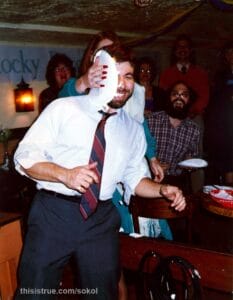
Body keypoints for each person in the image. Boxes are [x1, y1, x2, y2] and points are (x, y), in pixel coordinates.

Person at [14, 45, 186, 300]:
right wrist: (65, 174)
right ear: (98, 75)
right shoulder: (64, 109)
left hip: (101, 218)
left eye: (128, 77)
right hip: (54, 214)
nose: (123, 83)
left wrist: (162, 189)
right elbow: (24, 157)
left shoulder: (133, 130)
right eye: (115, 75)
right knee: (35, 292)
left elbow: (134, 179)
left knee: (103, 294)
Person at [59, 31, 167, 237]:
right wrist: (84, 81)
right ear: (93, 57)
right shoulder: (81, 86)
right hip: (93, 167)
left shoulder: (127, 88)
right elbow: (62, 101)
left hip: (126, 156)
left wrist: (151, 156)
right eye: (104, 52)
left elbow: (139, 125)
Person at [147, 81, 200, 191]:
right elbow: (137, 150)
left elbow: (191, 157)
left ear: (189, 100)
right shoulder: (152, 120)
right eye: (175, 94)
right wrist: (151, 162)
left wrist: (189, 163)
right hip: (148, 179)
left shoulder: (193, 129)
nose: (179, 98)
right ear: (168, 98)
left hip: (177, 182)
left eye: (184, 95)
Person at [205, 41, 233, 186]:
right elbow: (215, 101)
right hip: (225, 126)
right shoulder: (221, 76)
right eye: (229, 53)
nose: (232, 56)